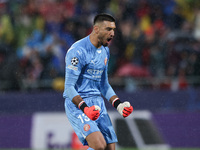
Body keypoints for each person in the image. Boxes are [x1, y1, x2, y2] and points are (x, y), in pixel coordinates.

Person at [63, 13, 133, 150]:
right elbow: (69, 87)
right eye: (108, 29)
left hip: (97, 103)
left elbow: (103, 84)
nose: (112, 33)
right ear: (96, 29)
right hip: (78, 105)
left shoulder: (105, 51)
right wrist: (85, 108)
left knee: (110, 148)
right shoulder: (78, 51)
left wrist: (119, 105)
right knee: (99, 146)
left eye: (113, 29)